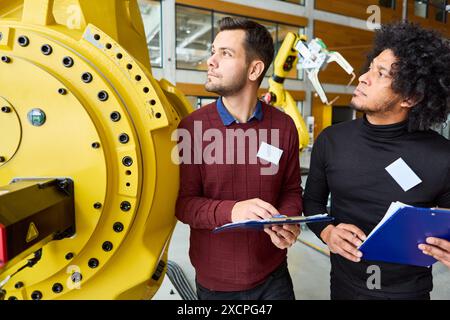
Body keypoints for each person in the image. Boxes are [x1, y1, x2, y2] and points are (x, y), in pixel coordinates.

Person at [303, 22, 450, 300]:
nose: (362, 77)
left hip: (409, 293)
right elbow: (312, 204)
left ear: (411, 96)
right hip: (343, 289)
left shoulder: (442, 157)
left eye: (380, 73)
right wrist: (327, 232)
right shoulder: (331, 140)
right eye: (370, 67)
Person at [175, 17, 302, 300]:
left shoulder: (284, 126)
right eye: (213, 51)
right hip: (217, 284)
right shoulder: (192, 128)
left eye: (225, 53)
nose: (211, 61)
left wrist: (287, 220)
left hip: (275, 275)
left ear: (254, 69)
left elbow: (291, 189)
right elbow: (184, 205)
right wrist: (234, 211)